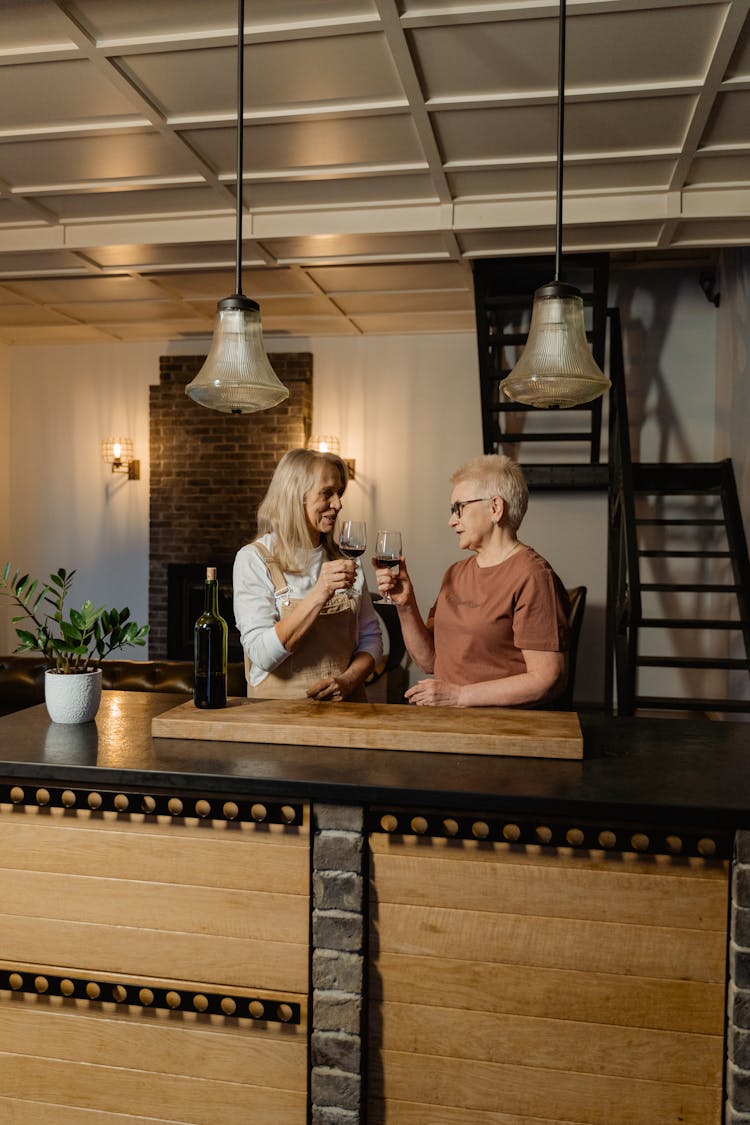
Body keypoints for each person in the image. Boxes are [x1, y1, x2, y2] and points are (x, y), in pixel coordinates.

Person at [375, 454, 570, 707]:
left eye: (459, 508)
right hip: (451, 723)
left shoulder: (534, 577)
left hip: (504, 730)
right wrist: (405, 604)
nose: (451, 520)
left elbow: (547, 678)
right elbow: (429, 661)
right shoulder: (455, 573)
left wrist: (459, 696)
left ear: (495, 508)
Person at [233, 448, 383, 702]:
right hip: (277, 718)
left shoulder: (345, 559)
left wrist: (348, 680)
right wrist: (320, 593)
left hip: (347, 710)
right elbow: (261, 654)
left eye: (339, 493)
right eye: (327, 493)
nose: (338, 504)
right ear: (294, 497)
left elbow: (371, 639)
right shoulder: (254, 559)